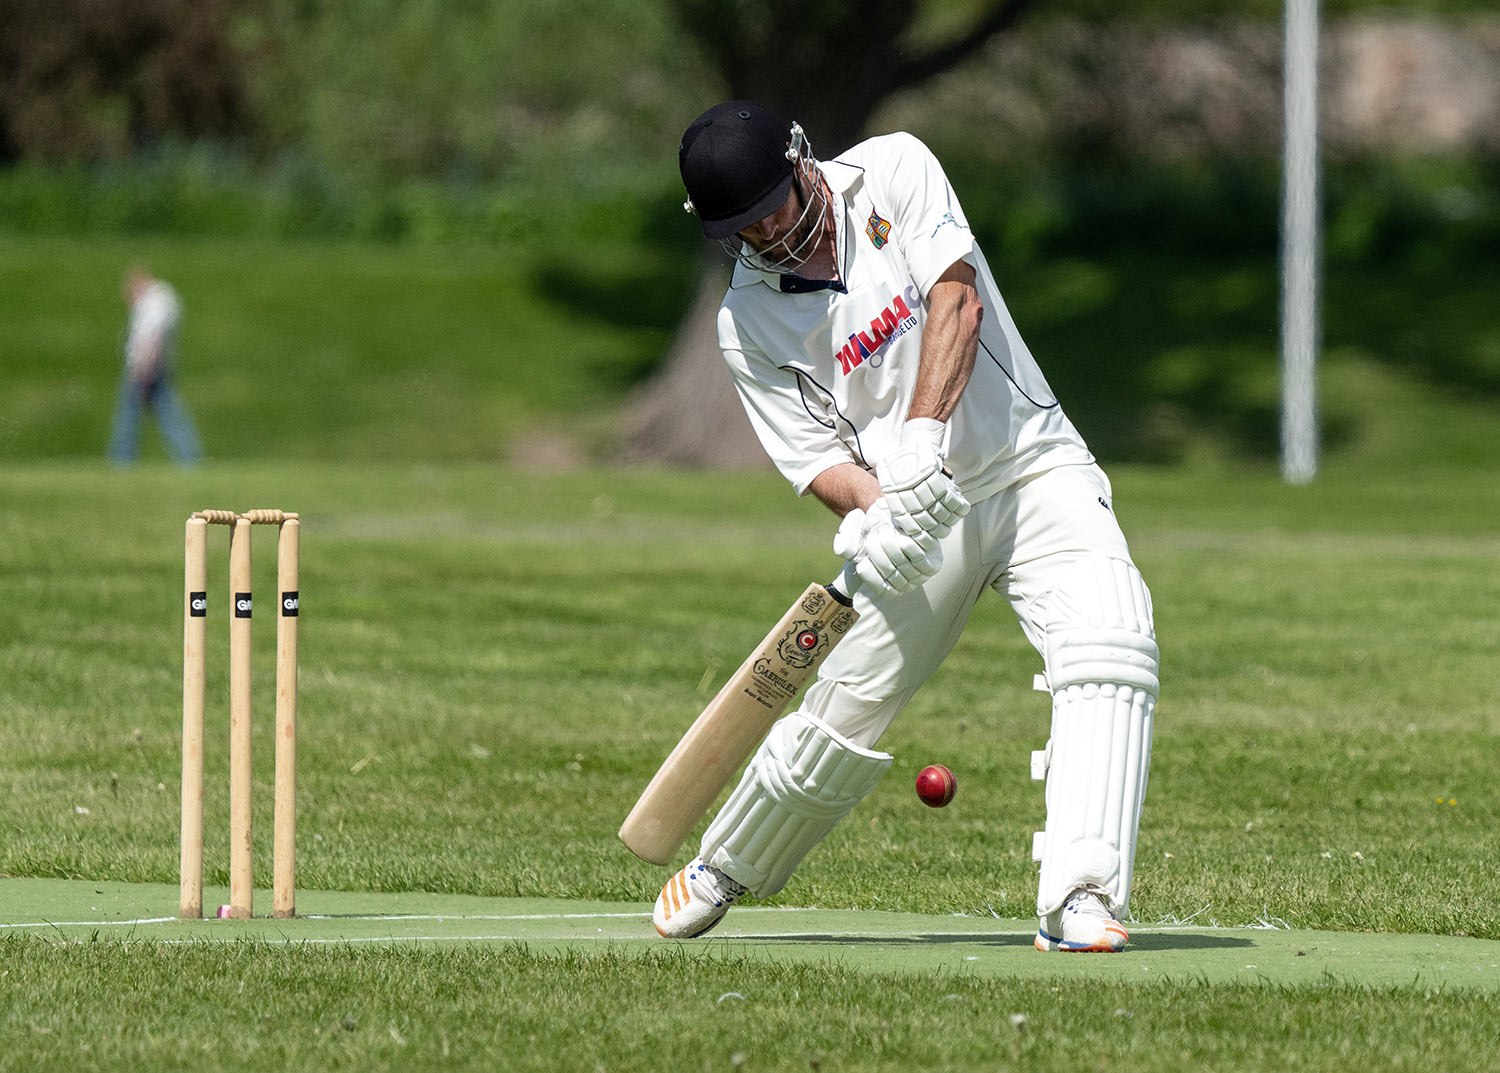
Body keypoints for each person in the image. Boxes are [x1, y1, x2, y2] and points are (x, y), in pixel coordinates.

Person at [653, 101, 1160, 953]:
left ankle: (1079, 896)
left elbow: (957, 301)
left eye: (774, 203)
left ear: (800, 157)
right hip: (919, 519)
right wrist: (877, 509)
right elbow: (818, 463)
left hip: (1031, 463)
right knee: (845, 705)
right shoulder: (746, 325)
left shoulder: (894, 167)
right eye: (744, 226)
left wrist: (922, 437)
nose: (769, 232)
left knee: (1112, 642)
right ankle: (726, 864)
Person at [108, 264, 203, 465]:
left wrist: (144, 369)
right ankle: (190, 459)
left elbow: (152, 338)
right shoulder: (160, 301)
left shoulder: (155, 302)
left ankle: (122, 461)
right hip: (152, 367)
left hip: (146, 368)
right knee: (167, 414)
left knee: (131, 419)